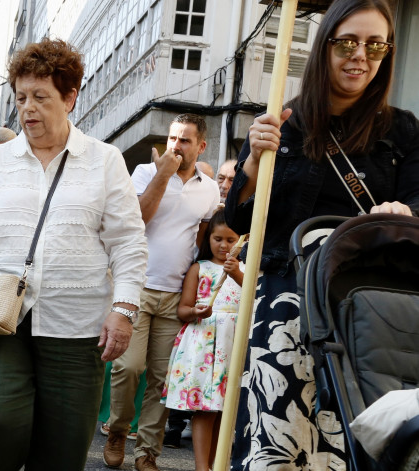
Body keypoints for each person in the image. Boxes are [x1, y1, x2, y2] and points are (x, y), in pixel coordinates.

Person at [224, 0, 419, 468]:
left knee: (350, 438)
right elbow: (243, 222)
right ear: (325, 45)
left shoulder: (403, 130)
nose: (361, 57)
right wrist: (252, 162)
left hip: (362, 305)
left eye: (375, 46)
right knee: (279, 437)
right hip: (285, 303)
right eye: (348, 43)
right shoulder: (283, 121)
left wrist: (401, 215)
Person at [0, 38, 149, 471]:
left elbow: (129, 242)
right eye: (21, 98)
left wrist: (125, 308)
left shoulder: (105, 160)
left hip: (77, 325)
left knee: (64, 444)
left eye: (41, 97)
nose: (28, 109)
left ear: (70, 97)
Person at [104, 113, 220, 471]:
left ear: (200, 146)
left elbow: (200, 239)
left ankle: (147, 452)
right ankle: (119, 429)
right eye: (172, 138)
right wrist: (163, 174)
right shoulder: (143, 173)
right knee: (127, 367)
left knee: (162, 377)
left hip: (175, 295)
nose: (176, 146)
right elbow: (138, 218)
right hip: (136, 287)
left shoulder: (210, 188)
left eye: (185, 140)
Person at [162, 210, 244, 471]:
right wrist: (196, 312)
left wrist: (238, 275)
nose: (223, 246)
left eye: (231, 240)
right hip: (204, 343)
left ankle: (216, 464)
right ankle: (201, 466)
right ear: (208, 239)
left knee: (225, 409)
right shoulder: (200, 268)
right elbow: (183, 309)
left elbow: (255, 299)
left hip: (234, 341)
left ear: (242, 241)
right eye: (218, 239)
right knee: (206, 408)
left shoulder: (247, 269)